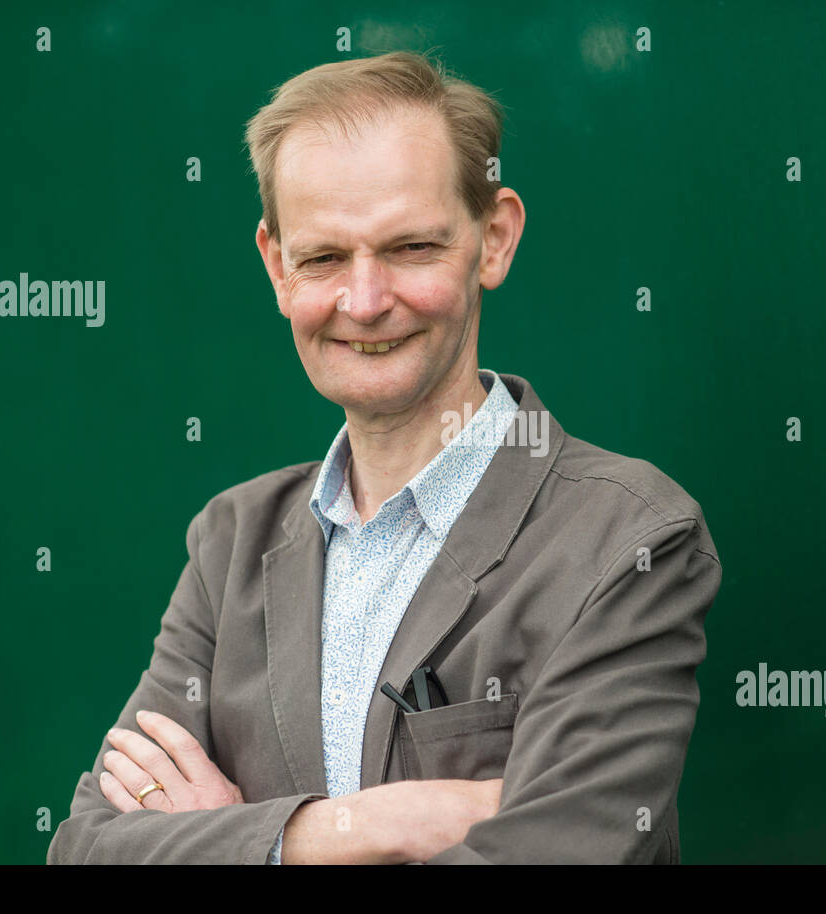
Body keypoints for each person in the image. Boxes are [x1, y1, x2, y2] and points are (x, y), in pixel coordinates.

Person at [46, 50, 722, 865]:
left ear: (494, 240)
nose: (364, 302)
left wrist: (239, 842)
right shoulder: (229, 543)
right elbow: (89, 850)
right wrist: (373, 825)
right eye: (324, 258)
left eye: (409, 247)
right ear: (276, 266)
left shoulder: (628, 540)